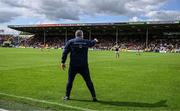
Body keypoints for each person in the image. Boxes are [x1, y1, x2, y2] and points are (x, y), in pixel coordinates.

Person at [61, 30, 98, 102]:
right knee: (88, 81)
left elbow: (65, 52)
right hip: (84, 66)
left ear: (75, 35)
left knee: (70, 81)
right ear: (82, 35)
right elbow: (92, 43)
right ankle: (94, 97)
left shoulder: (70, 42)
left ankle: (67, 96)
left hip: (73, 66)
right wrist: (95, 40)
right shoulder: (86, 41)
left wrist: (63, 62)